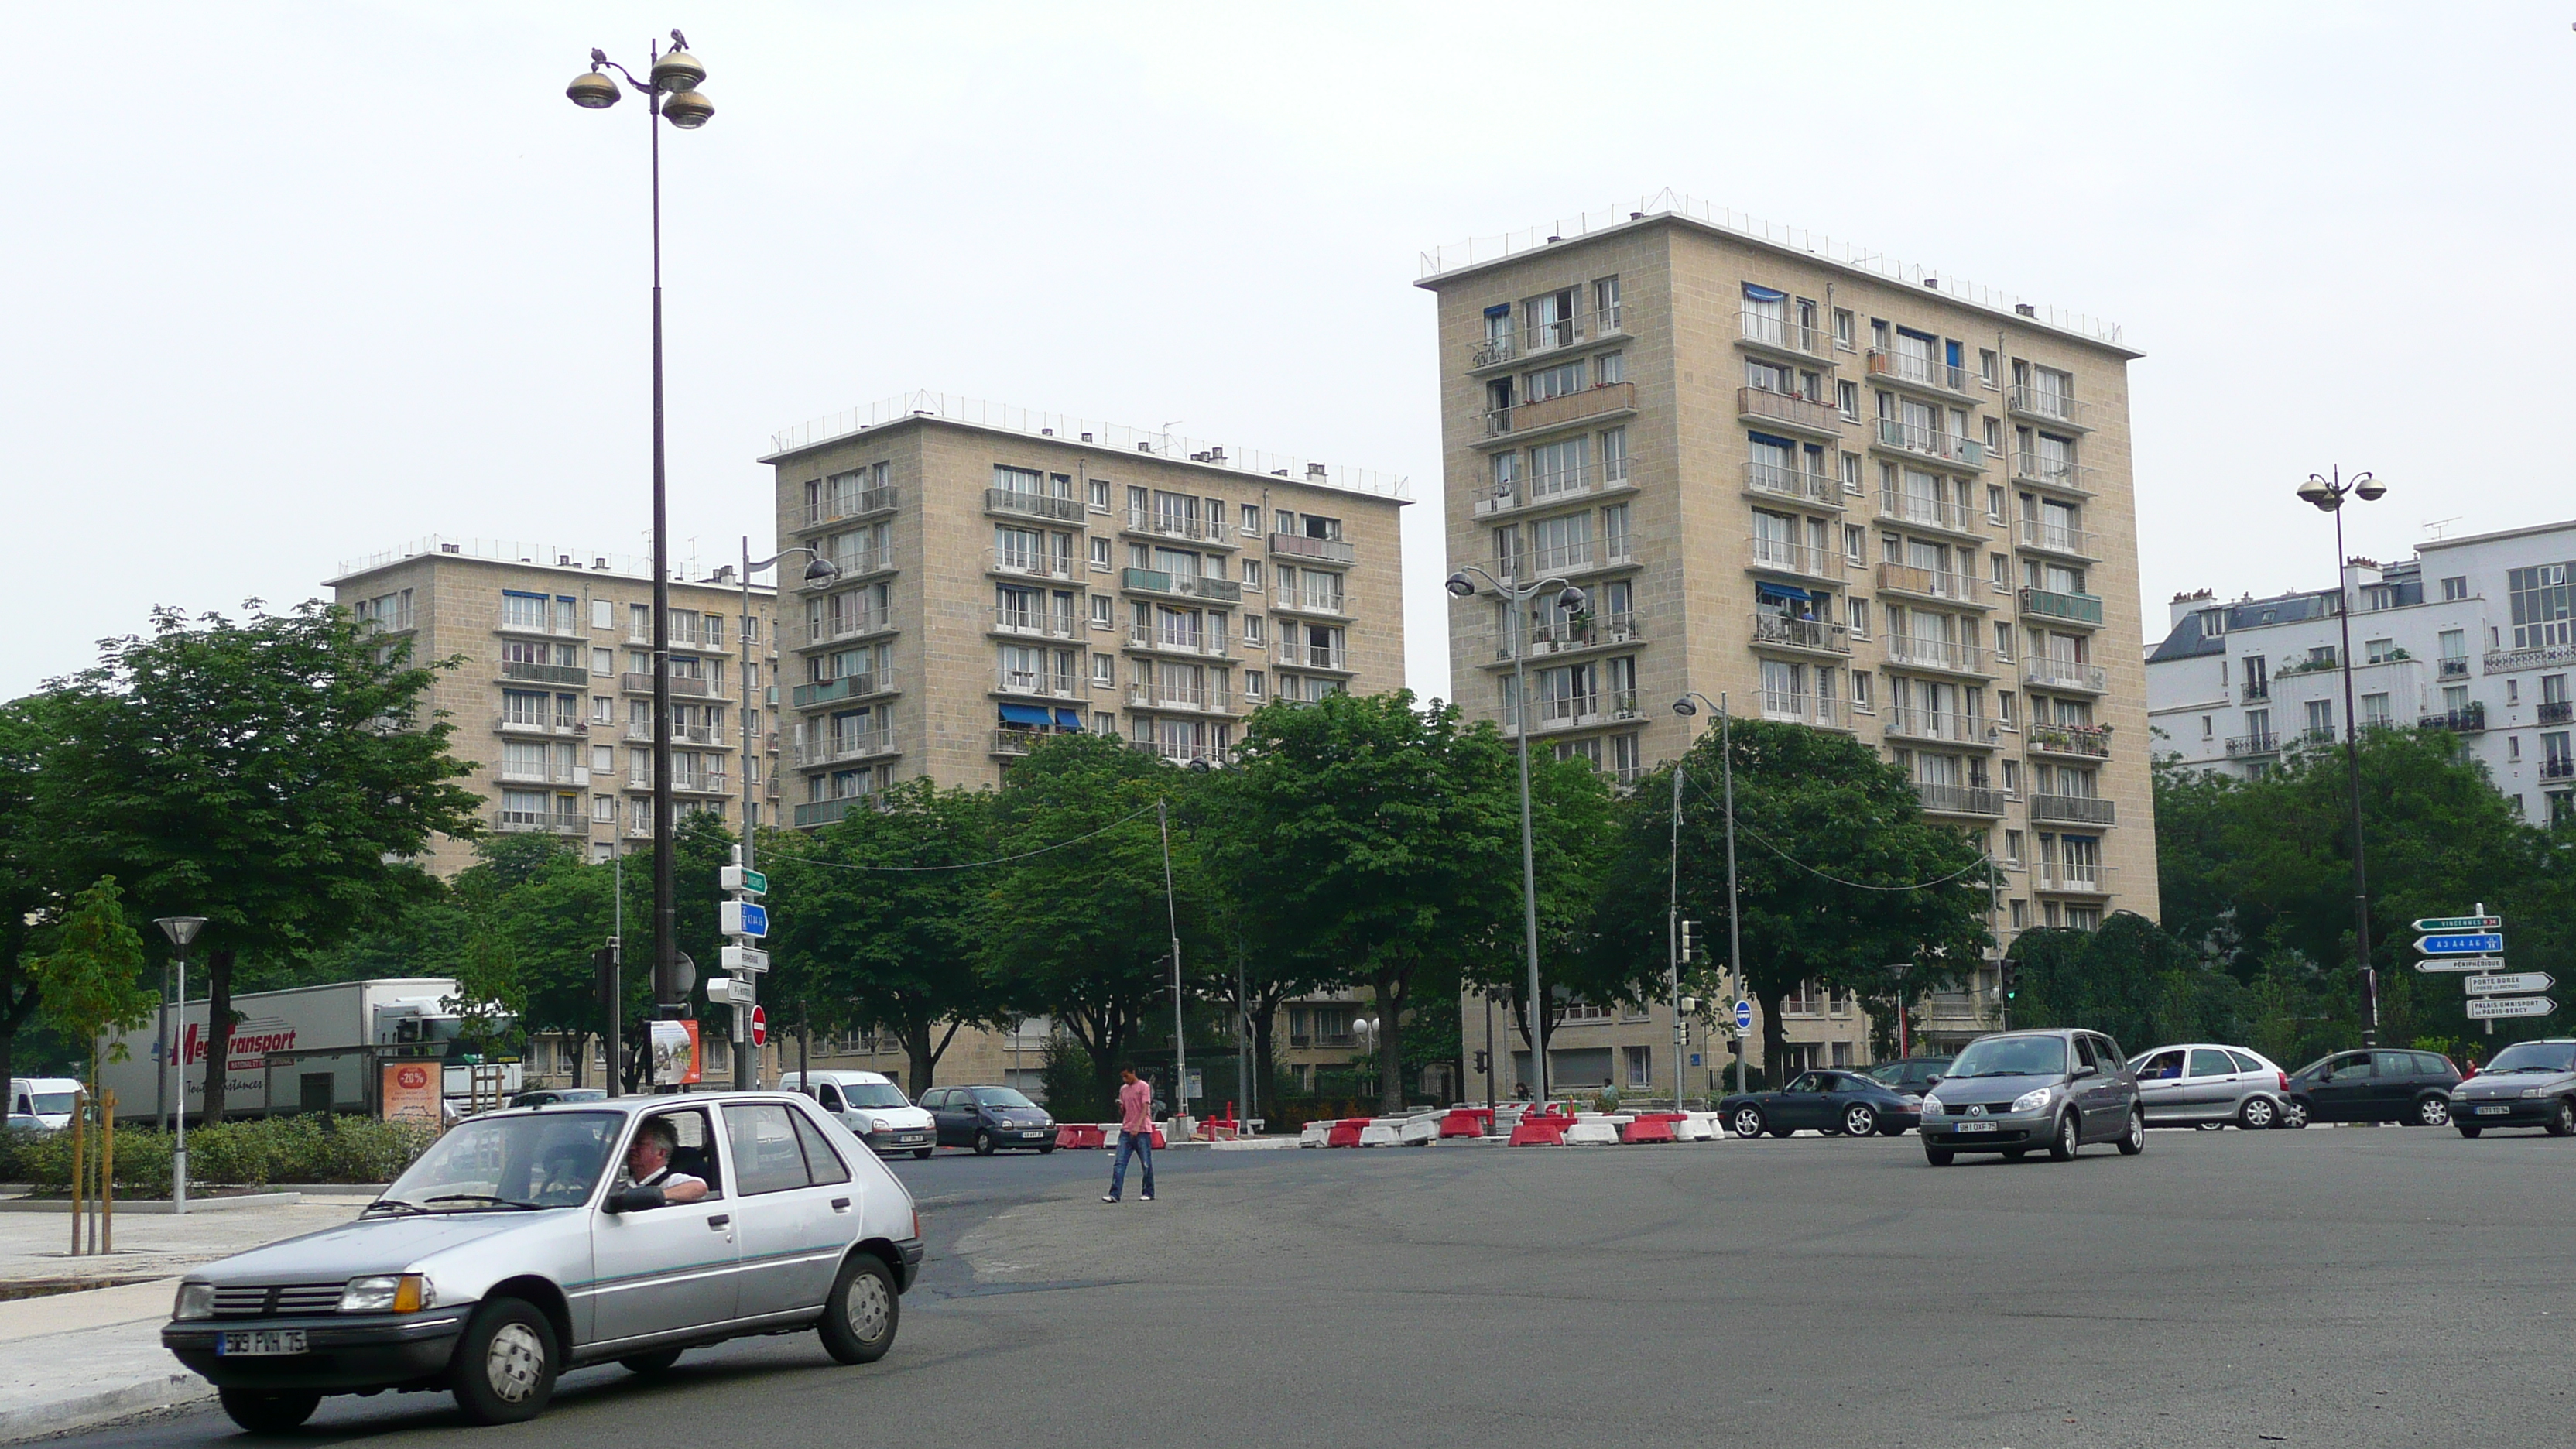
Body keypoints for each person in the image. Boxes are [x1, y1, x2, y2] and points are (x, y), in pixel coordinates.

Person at [624, 1117, 708, 1204]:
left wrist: (658, 1195)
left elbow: (699, 1188)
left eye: (640, 1144)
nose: (632, 1148)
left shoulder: (671, 1181)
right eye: (630, 1143)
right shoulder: (623, 1185)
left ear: (661, 1153)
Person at [1104, 1067, 1155, 1204]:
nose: (1125, 1079)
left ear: (1133, 1073)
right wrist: (1121, 1107)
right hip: (1126, 1130)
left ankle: (1148, 1192)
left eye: (1127, 1076)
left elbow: (1145, 1107)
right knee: (1119, 1163)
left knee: (1146, 1163)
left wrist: (1138, 1125)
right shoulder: (1123, 1089)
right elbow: (1125, 1111)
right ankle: (1115, 1193)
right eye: (1123, 1077)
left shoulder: (1143, 1087)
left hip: (1142, 1130)